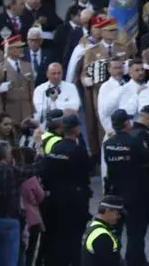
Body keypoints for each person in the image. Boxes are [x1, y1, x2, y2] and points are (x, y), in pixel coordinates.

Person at [103, 109, 149, 266]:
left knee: (115, 231)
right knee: (135, 233)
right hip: (135, 193)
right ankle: (134, 262)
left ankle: (114, 260)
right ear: (126, 124)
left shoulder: (107, 144)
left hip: (115, 192)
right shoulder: (134, 142)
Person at [42, 114, 93, 266]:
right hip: (76, 198)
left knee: (60, 233)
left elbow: (48, 172)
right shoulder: (77, 150)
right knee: (76, 235)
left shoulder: (55, 148)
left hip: (57, 197)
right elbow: (87, 170)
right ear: (76, 128)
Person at [82, 195, 125, 266]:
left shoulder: (93, 226)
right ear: (108, 211)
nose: (119, 217)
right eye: (118, 213)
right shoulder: (102, 236)